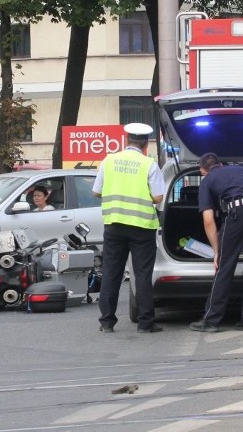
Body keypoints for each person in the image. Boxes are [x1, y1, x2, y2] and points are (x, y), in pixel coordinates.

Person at [189, 152, 243, 333]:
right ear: (220, 165)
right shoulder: (241, 170)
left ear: (202, 171)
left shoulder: (207, 181)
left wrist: (217, 252)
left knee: (224, 266)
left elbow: (208, 220)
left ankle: (211, 320)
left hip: (239, 212)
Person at [92, 123, 166, 334]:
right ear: (145, 143)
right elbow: (159, 197)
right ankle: (145, 323)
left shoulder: (109, 160)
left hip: (114, 225)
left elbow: (96, 192)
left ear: (126, 140)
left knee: (111, 273)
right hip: (142, 227)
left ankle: (106, 322)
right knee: (142, 275)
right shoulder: (149, 164)